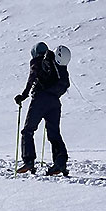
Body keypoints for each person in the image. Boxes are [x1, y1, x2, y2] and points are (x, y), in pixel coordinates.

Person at [15, 41, 70, 176]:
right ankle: (60, 163)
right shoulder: (54, 62)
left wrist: (23, 95)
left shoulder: (38, 62)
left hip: (40, 100)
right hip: (55, 101)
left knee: (28, 130)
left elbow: (32, 78)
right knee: (54, 134)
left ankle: (29, 161)